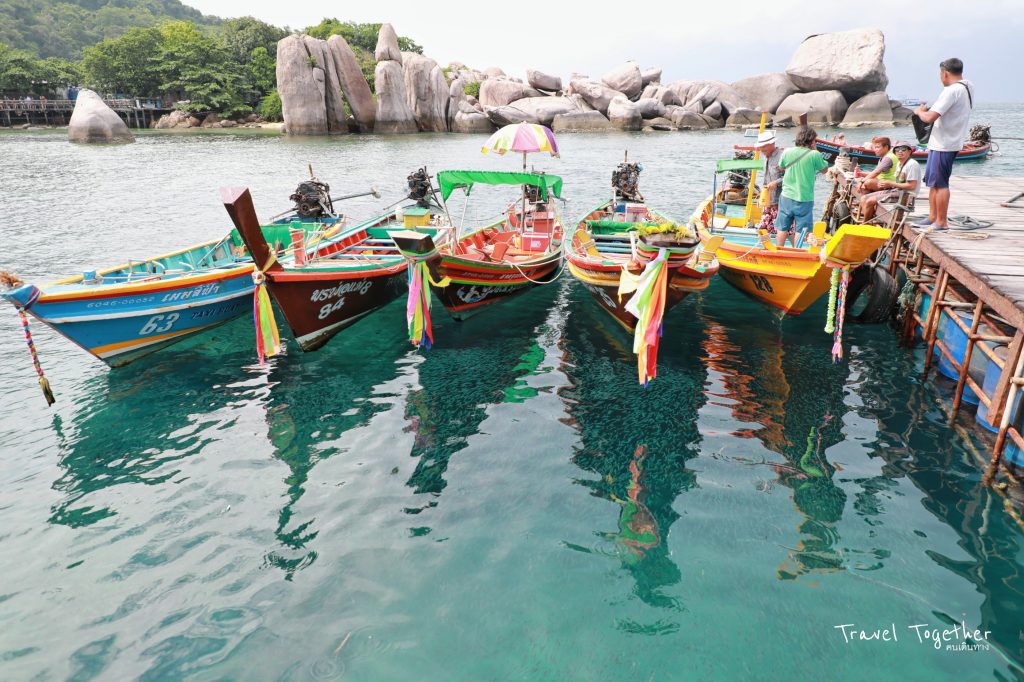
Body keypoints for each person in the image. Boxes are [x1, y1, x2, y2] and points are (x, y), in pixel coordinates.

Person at [912, 58, 975, 231]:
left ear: (945, 73)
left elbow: (930, 117)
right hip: (945, 141)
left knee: (940, 183)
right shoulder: (967, 86)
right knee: (933, 182)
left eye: (941, 73)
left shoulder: (951, 91)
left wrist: (919, 112)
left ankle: (941, 221)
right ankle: (932, 217)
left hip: (945, 143)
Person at [775, 126, 829, 248]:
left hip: (786, 196)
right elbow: (825, 170)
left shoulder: (787, 151)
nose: (815, 143)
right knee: (801, 230)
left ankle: (778, 251)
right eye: (815, 141)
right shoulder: (814, 154)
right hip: (804, 198)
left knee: (782, 227)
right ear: (811, 141)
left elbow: (781, 167)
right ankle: (796, 253)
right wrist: (815, 149)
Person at [859, 141, 922, 223]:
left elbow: (912, 186)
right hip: (896, 191)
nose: (900, 151)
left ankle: (865, 224)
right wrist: (888, 184)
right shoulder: (899, 163)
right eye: (897, 150)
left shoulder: (912, 164)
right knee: (864, 198)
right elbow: (899, 182)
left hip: (906, 196)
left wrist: (891, 183)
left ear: (909, 151)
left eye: (903, 149)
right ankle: (869, 221)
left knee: (870, 201)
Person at [755, 131, 783, 234]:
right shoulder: (766, 157)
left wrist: (776, 182)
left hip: (780, 202)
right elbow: (765, 180)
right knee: (763, 228)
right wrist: (761, 197)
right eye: (761, 147)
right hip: (768, 201)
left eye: (764, 146)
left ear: (772, 144)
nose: (762, 149)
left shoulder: (781, 156)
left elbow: (790, 177)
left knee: (779, 230)